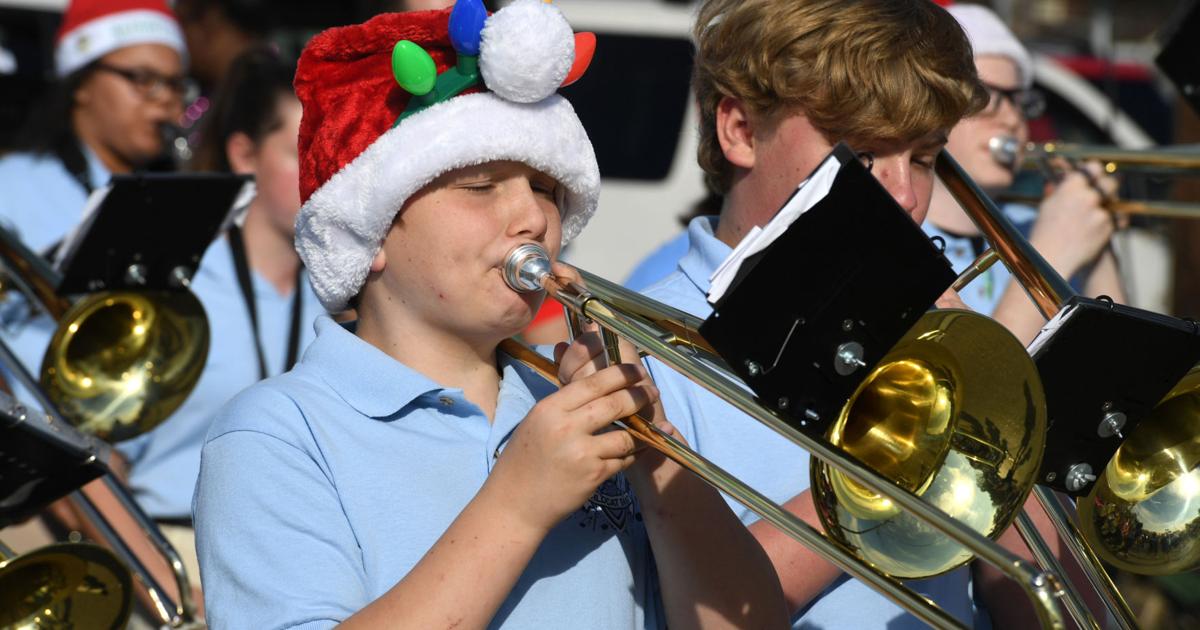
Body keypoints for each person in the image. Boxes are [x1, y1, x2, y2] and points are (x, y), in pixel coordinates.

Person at [193, 3, 787, 628]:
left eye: (545, 189)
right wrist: (518, 504)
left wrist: (657, 451)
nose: (532, 218)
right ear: (370, 234)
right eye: (481, 186)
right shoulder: (277, 434)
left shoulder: (564, 399)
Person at [639, 0, 989, 627]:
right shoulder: (644, 349)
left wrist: (987, 394)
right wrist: (895, 457)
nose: (907, 197)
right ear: (741, 131)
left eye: (924, 159)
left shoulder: (922, 331)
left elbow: (1047, 600)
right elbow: (713, 612)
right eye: (865, 155)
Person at [109, 46, 325, 597]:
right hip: (172, 554)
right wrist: (163, 583)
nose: (322, 170)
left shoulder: (341, 292)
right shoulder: (172, 283)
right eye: (300, 150)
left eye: (330, 149)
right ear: (243, 155)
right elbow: (95, 457)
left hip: (296, 563)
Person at [924, 3, 1125, 345]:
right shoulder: (901, 235)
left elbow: (1119, 357)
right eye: (985, 97)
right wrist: (1053, 250)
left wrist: (1094, 236)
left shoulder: (1031, 223)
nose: (1013, 119)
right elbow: (977, 374)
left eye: (1020, 101)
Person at [0, 0, 190, 254]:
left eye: (175, 84)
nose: (165, 97)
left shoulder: (184, 199)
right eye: (142, 78)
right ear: (81, 84)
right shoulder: (11, 190)